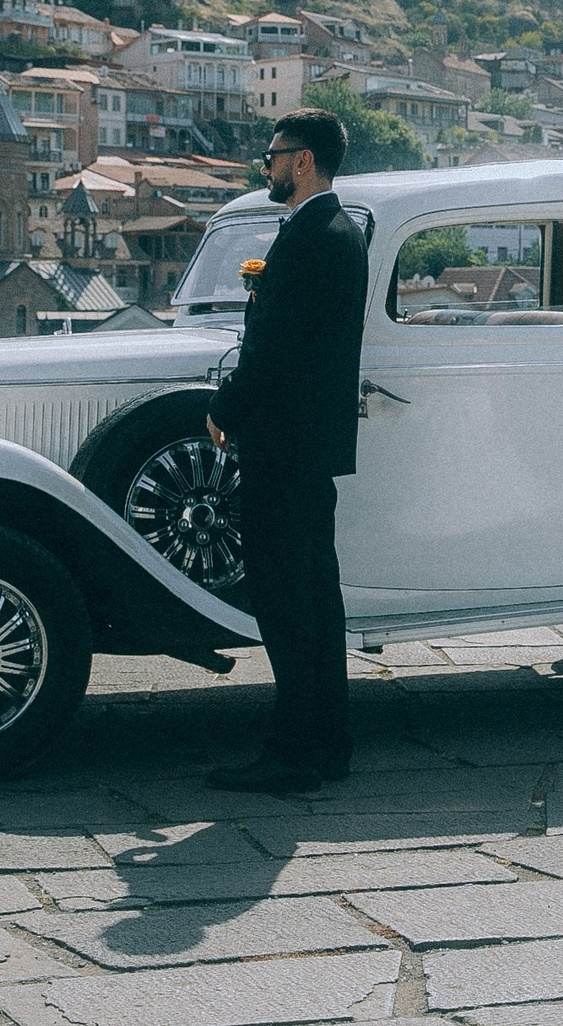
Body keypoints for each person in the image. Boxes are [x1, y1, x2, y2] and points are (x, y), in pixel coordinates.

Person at [202, 109, 368, 793]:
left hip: (282, 443)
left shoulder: (307, 239)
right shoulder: (343, 231)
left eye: (271, 156)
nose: (264, 167)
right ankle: (327, 743)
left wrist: (225, 407)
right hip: (312, 446)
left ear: (302, 161)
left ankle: (294, 755)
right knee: (317, 602)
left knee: (285, 603)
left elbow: (274, 348)